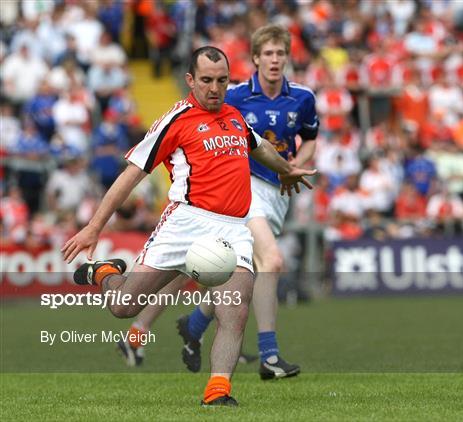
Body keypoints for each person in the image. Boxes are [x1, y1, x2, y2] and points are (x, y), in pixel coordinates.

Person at [62, 46, 315, 407]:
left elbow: (259, 149)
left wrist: (286, 169)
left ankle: (218, 391)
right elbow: (131, 175)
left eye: (222, 81)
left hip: (233, 228)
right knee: (123, 307)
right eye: (207, 80)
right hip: (185, 223)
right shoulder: (176, 120)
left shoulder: (235, 117)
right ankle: (103, 273)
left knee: (235, 308)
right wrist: (94, 227)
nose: (215, 88)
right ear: (191, 80)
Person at [119, 25, 319, 380]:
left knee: (206, 269)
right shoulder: (234, 96)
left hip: (278, 193)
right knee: (268, 260)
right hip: (242, 192)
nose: (275, 60)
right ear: (255, 59)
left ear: (288, 58)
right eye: (268, 53)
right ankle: (270, 355)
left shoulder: (303, 97)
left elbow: (308, 140)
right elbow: (204, 124)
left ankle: (179, 328)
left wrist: (293, 168)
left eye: (280, 53)